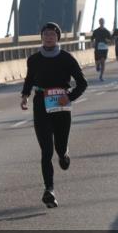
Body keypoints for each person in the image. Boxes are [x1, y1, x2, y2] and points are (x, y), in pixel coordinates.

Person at [20, 22, 88, 208]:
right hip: (41, 102)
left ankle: (64, 154)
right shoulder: (33, 59)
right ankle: (49, 190)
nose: (49, 37)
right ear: (41, 37)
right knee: (46, 150)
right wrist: (25, 96)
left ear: (58, 37)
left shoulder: (66, 58)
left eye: (52, 34)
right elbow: (29, 79)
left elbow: (82, 83)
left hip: (61, 104)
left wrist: (69, 97)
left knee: (59, 146)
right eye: (46, 34)